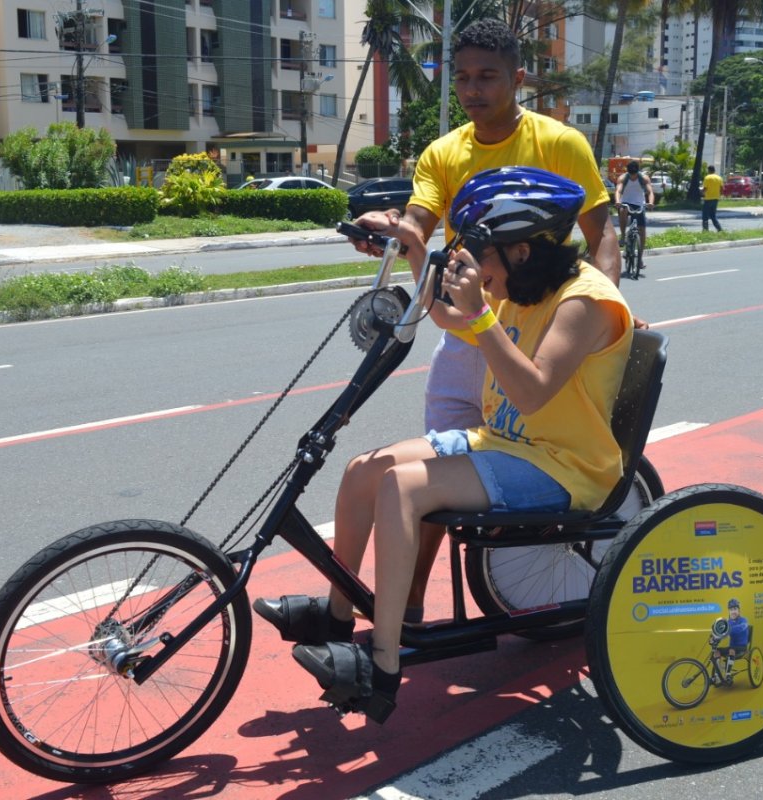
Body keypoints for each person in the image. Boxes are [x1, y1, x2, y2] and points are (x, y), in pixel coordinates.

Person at [254, 168, 634, 721]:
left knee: (403, 489)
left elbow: (530, 392)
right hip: (508, 444)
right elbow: (450, 320)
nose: (475, 265)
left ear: (521, 251)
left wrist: (480, 313)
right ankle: (339, 618)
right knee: (366, 467)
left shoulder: (584, 301)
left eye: (482, 253)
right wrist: (415, 247)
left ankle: (382, 666)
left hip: (563, 464)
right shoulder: (527, 286)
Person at [343, 17, 626, 623]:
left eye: (488, 77)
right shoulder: (445, 151)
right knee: (429, 474)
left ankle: (401, 616)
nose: (474, 90)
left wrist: (595, 316)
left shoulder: (560, 143)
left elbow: (602, 235)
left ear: (517, 78)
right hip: (471, 328)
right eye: (463, 78)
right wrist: (394, 232)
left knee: (453, 475)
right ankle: (408, 606)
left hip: (543, 327)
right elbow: (420, 221)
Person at [614, 160, 655, 270]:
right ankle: (623, 236)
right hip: (626, 202)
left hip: (639, 204)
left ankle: (640, 258)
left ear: (638, 171)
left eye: (635, 174)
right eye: (631, 174)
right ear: (628, 172)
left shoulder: (644, 178)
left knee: (642, 232)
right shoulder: (623, 178)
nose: (633, 177)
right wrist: (618, 201)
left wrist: (651, 202)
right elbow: (618, 191)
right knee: (623, 210)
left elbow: (650, 191)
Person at [711, 598, 750, 685]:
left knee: (731, 650)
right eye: (731, 610)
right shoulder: (728, 622)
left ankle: (728, 675)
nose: (733, 612)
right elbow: (722, 633)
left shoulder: (744, 620)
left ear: (739, 610)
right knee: (717, 652)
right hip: (731, 648)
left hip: (742, 647)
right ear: (729, 611)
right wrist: (715, 637)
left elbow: (741, 628)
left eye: (735, 609)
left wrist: (728, 629)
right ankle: (717, 676)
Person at [702, 165, 724, 232]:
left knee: (705, 215)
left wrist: (701, 193)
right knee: (713, 215)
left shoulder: (707, 178)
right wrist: (720, 195)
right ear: (714, 170)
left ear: (709, 170)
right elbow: (722, 188)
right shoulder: (719, 178)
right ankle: (719, 229)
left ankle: (705, 230)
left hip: (708, 199)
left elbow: (705, 188)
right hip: (716, 198)